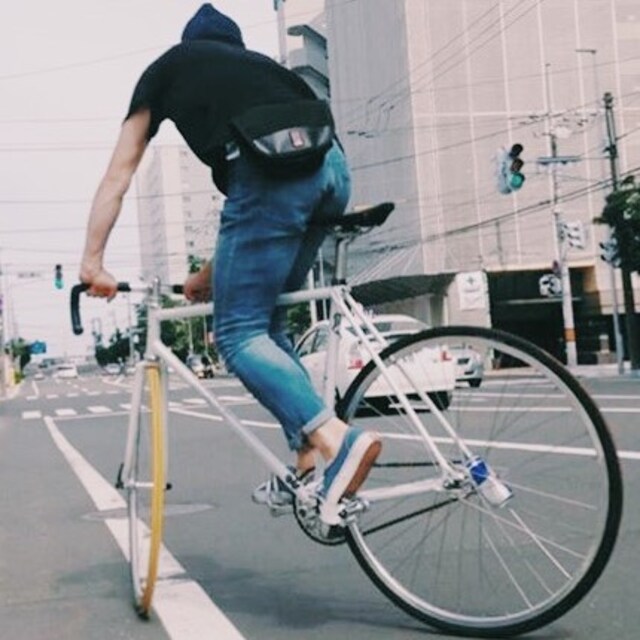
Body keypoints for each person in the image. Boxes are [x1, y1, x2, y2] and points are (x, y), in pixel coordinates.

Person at [78, 4, 381, 523]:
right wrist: (207, 277)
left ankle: (336, 439)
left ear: (191, 48)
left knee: (238, 335)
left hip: (275, 174)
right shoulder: (265, 72)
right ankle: (307, 460)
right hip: (331, 169)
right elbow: (261, 216)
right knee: (269, 322)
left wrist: (92, 262)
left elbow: (118, 176)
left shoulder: (169, 68)